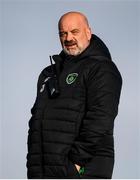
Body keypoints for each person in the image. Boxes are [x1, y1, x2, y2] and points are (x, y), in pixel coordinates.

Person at [26, 11, 122, 179]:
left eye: (74, 32)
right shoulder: (49, 74)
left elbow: (101, 118)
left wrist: (75, 163)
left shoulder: (101, 68)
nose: (68, 38)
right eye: (63, 33)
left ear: (88, 32)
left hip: (81, 171)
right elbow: (36, 119)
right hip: (43, 172)